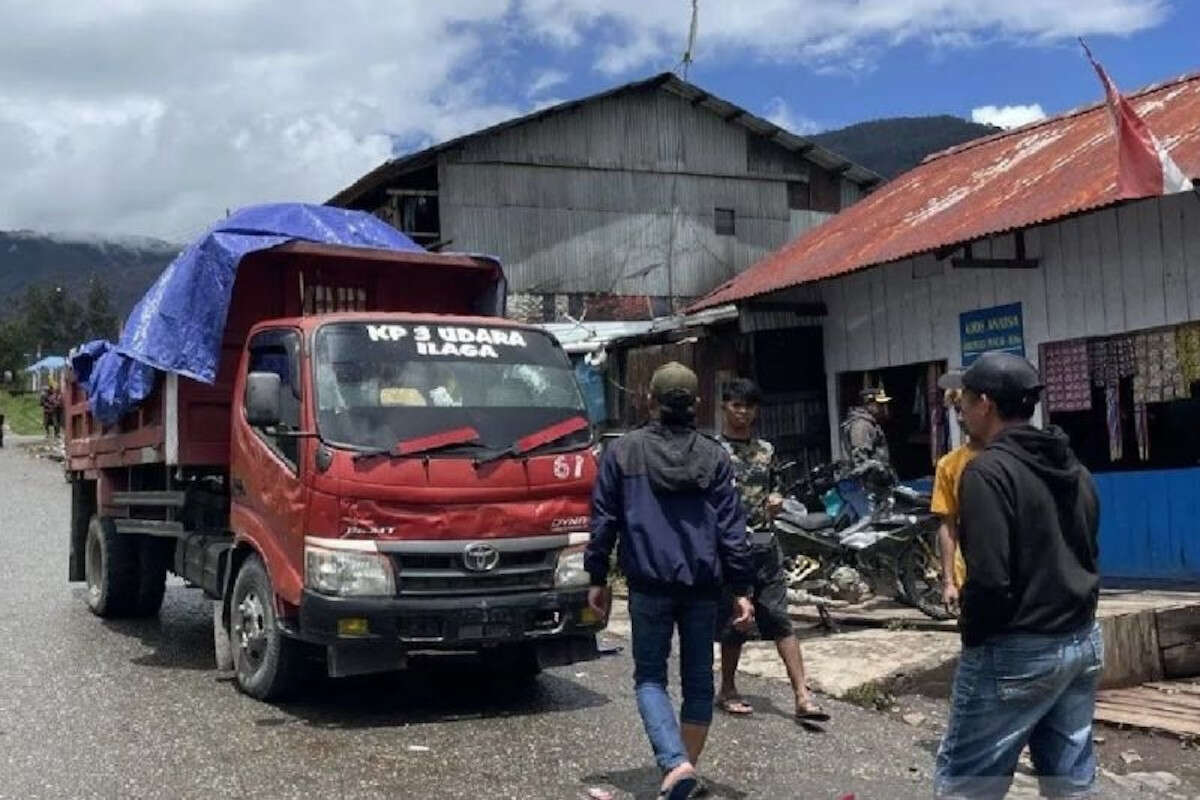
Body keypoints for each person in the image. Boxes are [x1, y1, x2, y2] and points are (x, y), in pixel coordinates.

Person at [934, 352, 1102, 800]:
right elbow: (1087, 551)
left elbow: (989, 578)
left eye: (964, 401)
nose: (961, 411)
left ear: (984, 403)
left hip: (1016, 647)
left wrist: (974, 637)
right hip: (1080, 641)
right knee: (1071, 784)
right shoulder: (1074, 467)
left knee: (967, 785)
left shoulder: (987, 472)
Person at [585, 362, 755, 800]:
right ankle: (683, 770)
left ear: (650, 401)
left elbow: (603, 521)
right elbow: (733, 529)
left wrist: (597, 576)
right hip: (702, 585)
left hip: (648, 584)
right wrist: (740, 587)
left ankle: (675, 766)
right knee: (699, 680)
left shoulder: (622, 453)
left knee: (650, 678)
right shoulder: (715, 456)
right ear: (696, 404)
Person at [712, 378, 827, 723]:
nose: (742, 412)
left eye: (748, 406)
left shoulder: (766, 450)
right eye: (736, 405)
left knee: (779, 619)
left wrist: (777, 500)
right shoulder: (714, 452)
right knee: (736, 622)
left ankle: (802, 696)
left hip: (765, 546)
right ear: (724, 407)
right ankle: (728, 689)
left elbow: (776, 488)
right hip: (730, 549)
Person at [930, 372, 983, 610]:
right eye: (956, 411)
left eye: (964, 409)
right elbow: (948, 524)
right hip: (970, 575)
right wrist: (949, 581)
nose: (961, 418)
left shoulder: (1016, 456)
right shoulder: (949, 465)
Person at [840, 386, 892, 470]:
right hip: (869, 480)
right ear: (869, 404)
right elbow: (861, 461)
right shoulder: (861, 425)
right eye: (880, 404)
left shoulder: (870, 423)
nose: (883, 408)